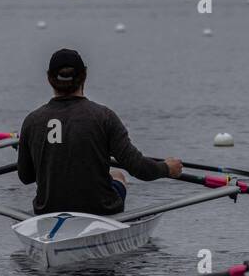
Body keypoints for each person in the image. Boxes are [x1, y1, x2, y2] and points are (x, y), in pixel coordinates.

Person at [17, 48, 181, 216]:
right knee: (118, 175)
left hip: (48, 211)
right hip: (99, 210)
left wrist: (36, 151)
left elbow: (26, 177)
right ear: (84, 76)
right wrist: (166, 168)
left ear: (49, 79)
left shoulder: (32, 121)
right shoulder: (104, 117)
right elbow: (139, 168)